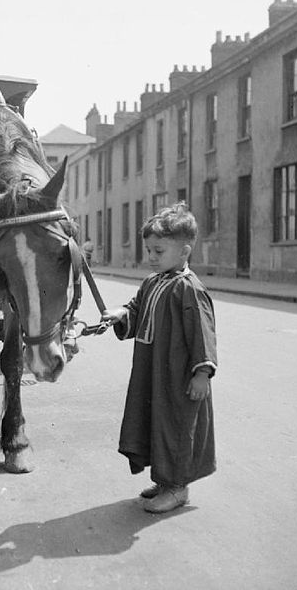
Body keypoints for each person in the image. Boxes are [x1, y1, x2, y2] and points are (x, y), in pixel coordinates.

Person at [102, 202, 217, 514]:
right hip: (152, 371)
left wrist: (202, 373)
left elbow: (203, 333)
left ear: (184, 252)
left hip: (179, 376)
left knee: (176, 427)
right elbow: (136, 310)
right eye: (149, 251)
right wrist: (120, 314)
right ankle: (165, 480)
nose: (151, 258)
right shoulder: (153, 281)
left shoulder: (189, 288)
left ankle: (178, 487)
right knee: (155, 423)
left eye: (158, 251)